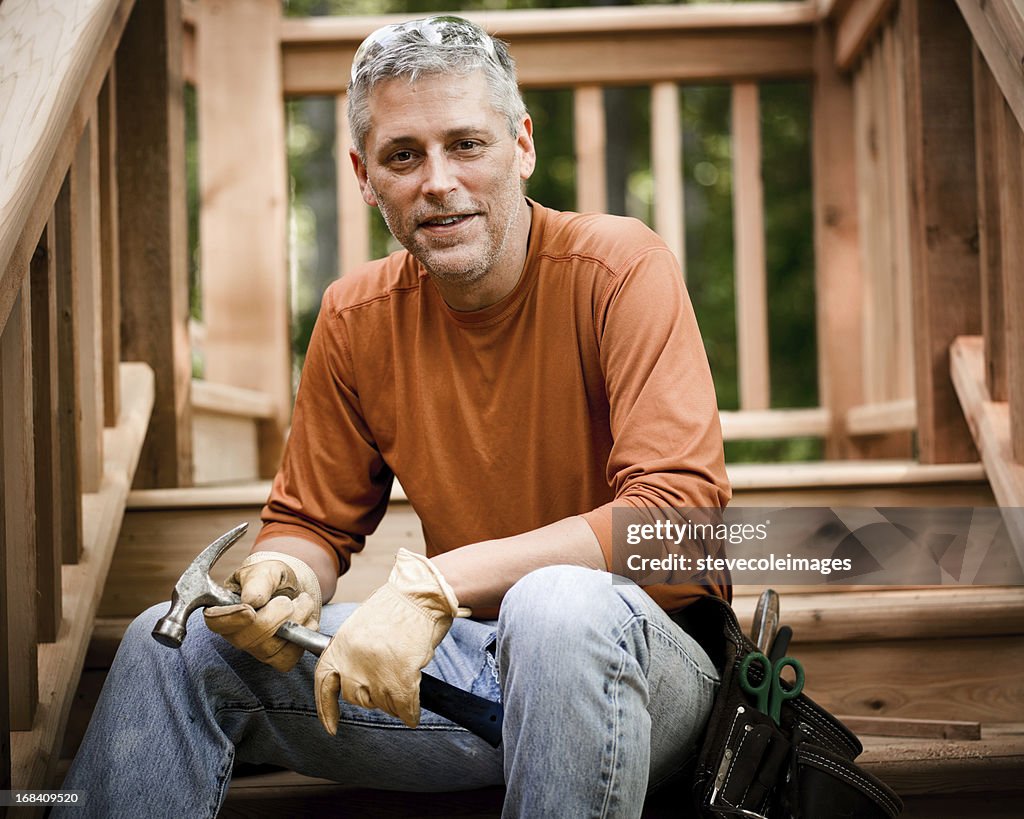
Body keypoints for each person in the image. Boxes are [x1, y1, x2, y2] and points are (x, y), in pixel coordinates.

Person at [59, 16, 731, 818]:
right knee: (171, 643)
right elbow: (309, 521)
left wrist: (436, 585)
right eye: (403, 155)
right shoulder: (355, 317)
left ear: (522, 146)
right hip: (467, 679)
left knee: (556, 604)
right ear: (364, 173)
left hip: (647, 668)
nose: (436, 181)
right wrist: (287, 576)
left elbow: (679, 524)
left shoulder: (620, 267)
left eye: (466, 145)